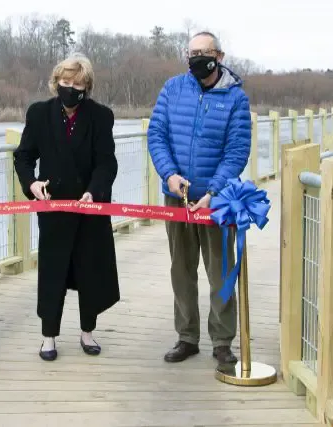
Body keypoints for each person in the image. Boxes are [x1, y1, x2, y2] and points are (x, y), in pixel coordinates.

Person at [147, 31, 251, 365]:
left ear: (219, 56)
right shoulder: (173, 88)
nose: (195, 58)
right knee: (181, 269)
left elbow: (237, 151)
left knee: (220, 271)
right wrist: (170, 175)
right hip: (177, 196)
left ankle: (222, 340)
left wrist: (213, 191)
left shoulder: (236, 98)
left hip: (216, 200)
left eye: (202, 52)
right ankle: (186, 337)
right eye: (190, 52)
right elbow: (157, 134)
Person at [13, 53, 120, 362]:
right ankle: (49, 337)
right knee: (53, 271)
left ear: (87, 87)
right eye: (65, 82)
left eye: (77, 84)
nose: (71, 88)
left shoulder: (101, 116)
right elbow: (23, 156)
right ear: (55, 82)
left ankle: (88, 332)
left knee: (90, 269)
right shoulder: (38, 113)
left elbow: (106, 162)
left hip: (90, 208)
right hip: (53, 207)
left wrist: (93, 192)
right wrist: (31, 184)